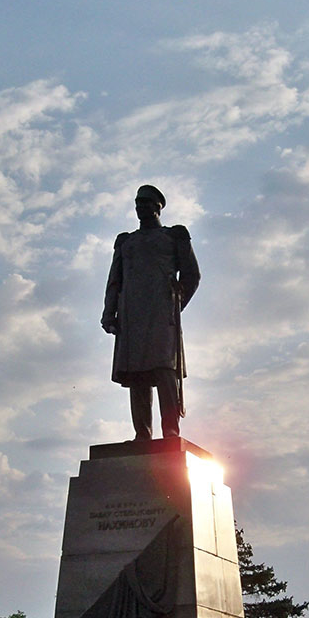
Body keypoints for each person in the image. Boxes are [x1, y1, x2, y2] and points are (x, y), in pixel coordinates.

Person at [101, 185, 200, 439]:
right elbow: (115, 280)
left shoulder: (173, 236)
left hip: (161, 312)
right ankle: (142, 434)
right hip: (131, 313)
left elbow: (191, 274)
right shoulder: (126, 241)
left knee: (164, 369)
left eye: (145, 203)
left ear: (158, 207)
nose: (140, 207)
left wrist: (175, 305)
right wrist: (108, 313)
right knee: (137, 374)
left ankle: (170, 430)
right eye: (137, 203)